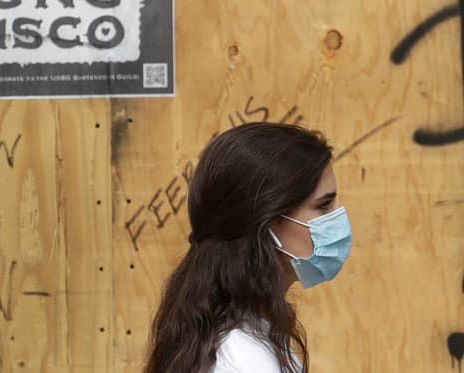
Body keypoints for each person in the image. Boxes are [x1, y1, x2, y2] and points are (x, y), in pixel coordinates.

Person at [144, 122, 351, 373]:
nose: (338, 218)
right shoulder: (243, 359)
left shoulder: (243, 339)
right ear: (268, 221)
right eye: (323, 206)